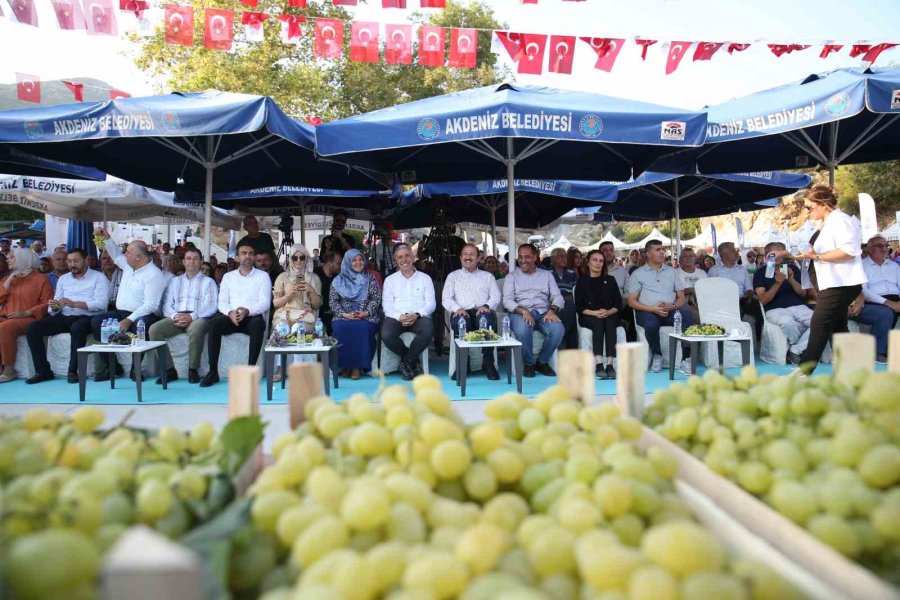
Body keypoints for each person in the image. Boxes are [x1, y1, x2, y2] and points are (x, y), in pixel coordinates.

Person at [784, 185, 867, 373]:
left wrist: (818, 257)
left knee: (819, 323)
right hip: (833, 283)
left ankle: (804, 371)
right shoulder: (827, 223)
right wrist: (803, 255)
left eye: (810, 207)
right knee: (838, 326)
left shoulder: (842, 221)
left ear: (823, 204)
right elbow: (821, 252)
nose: (808, 211)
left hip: (841, 284)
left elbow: (848, 251)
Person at [24, 248, 109, 384]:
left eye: (76, 261)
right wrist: (54, 306)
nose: (71, 264)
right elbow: (55, 307)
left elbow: (100, 304)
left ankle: (72, 371)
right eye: (69, 261)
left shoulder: (98, 277)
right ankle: (43, 371)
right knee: (33, 328)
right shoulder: (63, 279)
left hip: (87, 317)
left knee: (77, 328)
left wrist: (74, 303)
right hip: (64, 315)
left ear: (85, 260)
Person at [90, 230, 166, 381]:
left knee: (142, 325)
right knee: (96, 321)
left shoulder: (153, 274)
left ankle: (135, 369)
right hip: (121, 312)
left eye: (128, 252)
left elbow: (151, 304)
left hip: (143, 315)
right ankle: (111, 366)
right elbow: (116, 254)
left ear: (138, 256)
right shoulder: (129, 265)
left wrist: (129, 319)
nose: (125, 255)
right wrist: (106, 237)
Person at [199, 241, 272, 387]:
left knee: (258, 324)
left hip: (251, 317)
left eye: (251, 253)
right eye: (244, 253)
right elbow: (222, 302)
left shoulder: (262, 276)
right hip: (231, 317)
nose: (248, 256)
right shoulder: (228, 277)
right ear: (238, 256)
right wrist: (230, 313)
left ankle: (251, 371)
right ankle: (213, 371)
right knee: (214, 324)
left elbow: (265, 303)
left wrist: (247, 311)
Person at [149, 247, 218, 384]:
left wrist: (191, 317)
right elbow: (167, 305)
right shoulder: (174, 281)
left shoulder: (208, 282)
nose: (191, 261)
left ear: (200, 262)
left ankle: (193, 369)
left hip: (198, 317)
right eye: (188, 258)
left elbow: (211, 306)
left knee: (196, 328)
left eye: (195, 259)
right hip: (177, 316)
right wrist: (175, 315)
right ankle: (169, 370)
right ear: (183, 262)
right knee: (154, 330)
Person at [627, 239, 693, 374]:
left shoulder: (673, 272)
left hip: (670, 311)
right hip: (647, 311)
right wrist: (652, 308)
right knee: (651, 324)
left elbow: (681, 298)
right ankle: (657, 354)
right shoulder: (638, 273)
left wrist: (672, 306)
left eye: (663, 249)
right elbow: (631, 301)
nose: (662, 252)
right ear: (648, 254)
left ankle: (686, 359)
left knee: (686, 315)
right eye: (658, 249)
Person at [503, 243, 565, 377]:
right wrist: (524, 311)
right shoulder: (512, 277)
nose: (523, 260)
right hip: (520, 313)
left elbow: (557, 297)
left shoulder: (547, 275)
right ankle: (529, 363)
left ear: (535, 257)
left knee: (558, 330)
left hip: (543, 313)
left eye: (527, 257)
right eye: (520, 257)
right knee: (523, 329)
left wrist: (552, 311)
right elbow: (507, 301)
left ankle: (542, 362)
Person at [442, 243, 501, 381]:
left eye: (471, 254)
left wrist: (486, 306)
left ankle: (489, 364)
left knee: (485, 319)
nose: (468, 257)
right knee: (461, 321)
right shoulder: (453, 276)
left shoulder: (488, 276)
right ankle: (463, 365)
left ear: (478, 257)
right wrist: (458, 309)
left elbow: (496, 296)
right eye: (465, 254)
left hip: (482, 310)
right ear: (461, 257)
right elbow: (446, 298)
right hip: (461, 311)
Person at [382, 244, 436, 381]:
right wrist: (399, 316)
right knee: (387, 335)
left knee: (428, 330)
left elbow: (431, 304)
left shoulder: (425, 278)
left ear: (413, 257)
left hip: (419, 316)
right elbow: (386, 305)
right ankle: (411, 360)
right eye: (400, 257)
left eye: (407, 255)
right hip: (396, 316)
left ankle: (407, 362)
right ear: (396, 260)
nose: (404, 259)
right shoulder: (390, 280)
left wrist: (417, 315)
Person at [754, 242, 813, 364]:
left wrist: (790, 279)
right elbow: (763, 300)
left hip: (798, 306)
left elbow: (803, 294)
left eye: (780, 254)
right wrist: (777, 283)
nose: (778, 257)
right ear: (767, 256)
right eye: (774, 254)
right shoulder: (760, 272)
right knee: (788, 324)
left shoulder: (793, 269)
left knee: (819, 322)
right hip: (775, 309)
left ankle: (794, 350)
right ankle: (802, 348)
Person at [0, 249, 53, 382]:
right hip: (7, 316)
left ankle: (9, 369)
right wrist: (11, 278)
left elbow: (48, 303)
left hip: (29, 318)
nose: (8, 260)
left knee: (6, 327)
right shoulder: (9, 279)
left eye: (12, 257)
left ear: (23, 259)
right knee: (6, 324)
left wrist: (26, 312)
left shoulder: (41, 278)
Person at [271, 244, 322, 381]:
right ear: (290, 259)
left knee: (297, 329)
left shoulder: (313, 278)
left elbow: (317, 305)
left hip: (305, 316)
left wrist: (311, 290)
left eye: (302, 257)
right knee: (282, 329)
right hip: (284, 314)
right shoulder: (282, 277)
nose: (298, 261)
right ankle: (279, 368)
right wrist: (289, 295)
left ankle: (297, 369)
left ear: (307, 259)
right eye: (295, 258)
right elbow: (275, 304)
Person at [330, 249, 382, 380]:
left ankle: (357, 367)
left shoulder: (370, 279)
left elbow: (376, 299)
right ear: (347, 262)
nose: (358, 262)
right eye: (354, 260)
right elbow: (333, 301)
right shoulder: (337, 281)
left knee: (363, 328)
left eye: (360, 259)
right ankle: (345, 366)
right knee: (340, 327)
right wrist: (344, 314)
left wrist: (366, 312)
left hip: (366, 315)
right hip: (343, 315)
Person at [850, 235, 899, 363]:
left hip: (896, 298)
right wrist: (889, 303)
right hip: (873, 301)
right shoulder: (861, 266)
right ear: (870, 249)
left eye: (886, 246)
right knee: (886, 313)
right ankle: (877, 352)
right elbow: (864, 291)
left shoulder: (894, 266)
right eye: (880, 246)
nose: (884, 249)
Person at [575, 249, 622, 380]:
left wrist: (608, 311)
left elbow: (618, 304)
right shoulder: (582, 281)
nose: (598, 263)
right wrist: (595, 313)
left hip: (609, 314)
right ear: (588, 262)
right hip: (589, 315)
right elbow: (579, 307)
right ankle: (599, 364)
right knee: (598, 321)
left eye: (601, 261)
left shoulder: (610, 280)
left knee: (609, 321)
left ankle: (610, 365)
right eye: (595, 260)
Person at [550, 248, 579, 350]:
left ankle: (562, 338)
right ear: (553, 259)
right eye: (560, 256)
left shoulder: (571, 273)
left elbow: (576, 291)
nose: (564, 258)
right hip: (553, 305)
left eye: (565, 256)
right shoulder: (548, 273)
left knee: (570, 305)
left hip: (569, 303)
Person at [314, 250, 342, 335]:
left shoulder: (338, 277)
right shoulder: (315, 274)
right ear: (330, 263)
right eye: (338, 263)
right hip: (318, 313)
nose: (340, 266)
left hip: (334, 314)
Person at [677, 247, 707, 325]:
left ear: (695, 258)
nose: (688, 258)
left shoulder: (702, 273)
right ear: (680, 259)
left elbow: (707, 291)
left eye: (691, 256)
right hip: (683, 303)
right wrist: (689, 290)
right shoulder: (675, 273)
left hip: (702, 301)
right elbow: (673, 293)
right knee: (698, 316)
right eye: (685, 256)